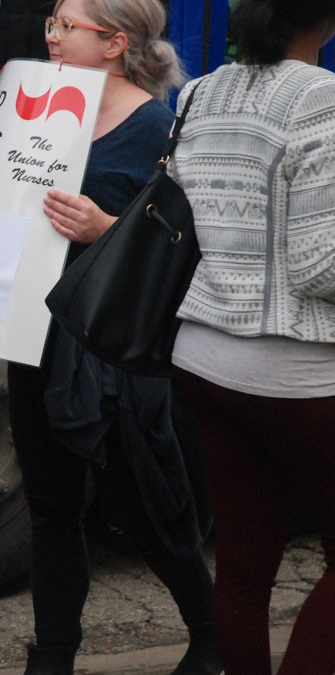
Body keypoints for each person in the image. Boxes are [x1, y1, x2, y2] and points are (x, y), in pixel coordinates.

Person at [0, 1, 220, 673]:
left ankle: (212, 633)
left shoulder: (158, 125)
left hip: (115, 347)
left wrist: (106, 230)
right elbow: (13, 218)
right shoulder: (30, 107)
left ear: (114, 43)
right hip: (39, 333)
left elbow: (185, 247)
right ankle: (55, 655)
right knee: (51, 506)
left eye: (69, 26)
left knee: (141, 504)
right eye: (52, 25)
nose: (53, 37)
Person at [166, 2, 335, 673]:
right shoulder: (323, 99)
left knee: (241, 569)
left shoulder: (201, 92)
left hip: (205, 357)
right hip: (297, 370)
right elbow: (321, 265)